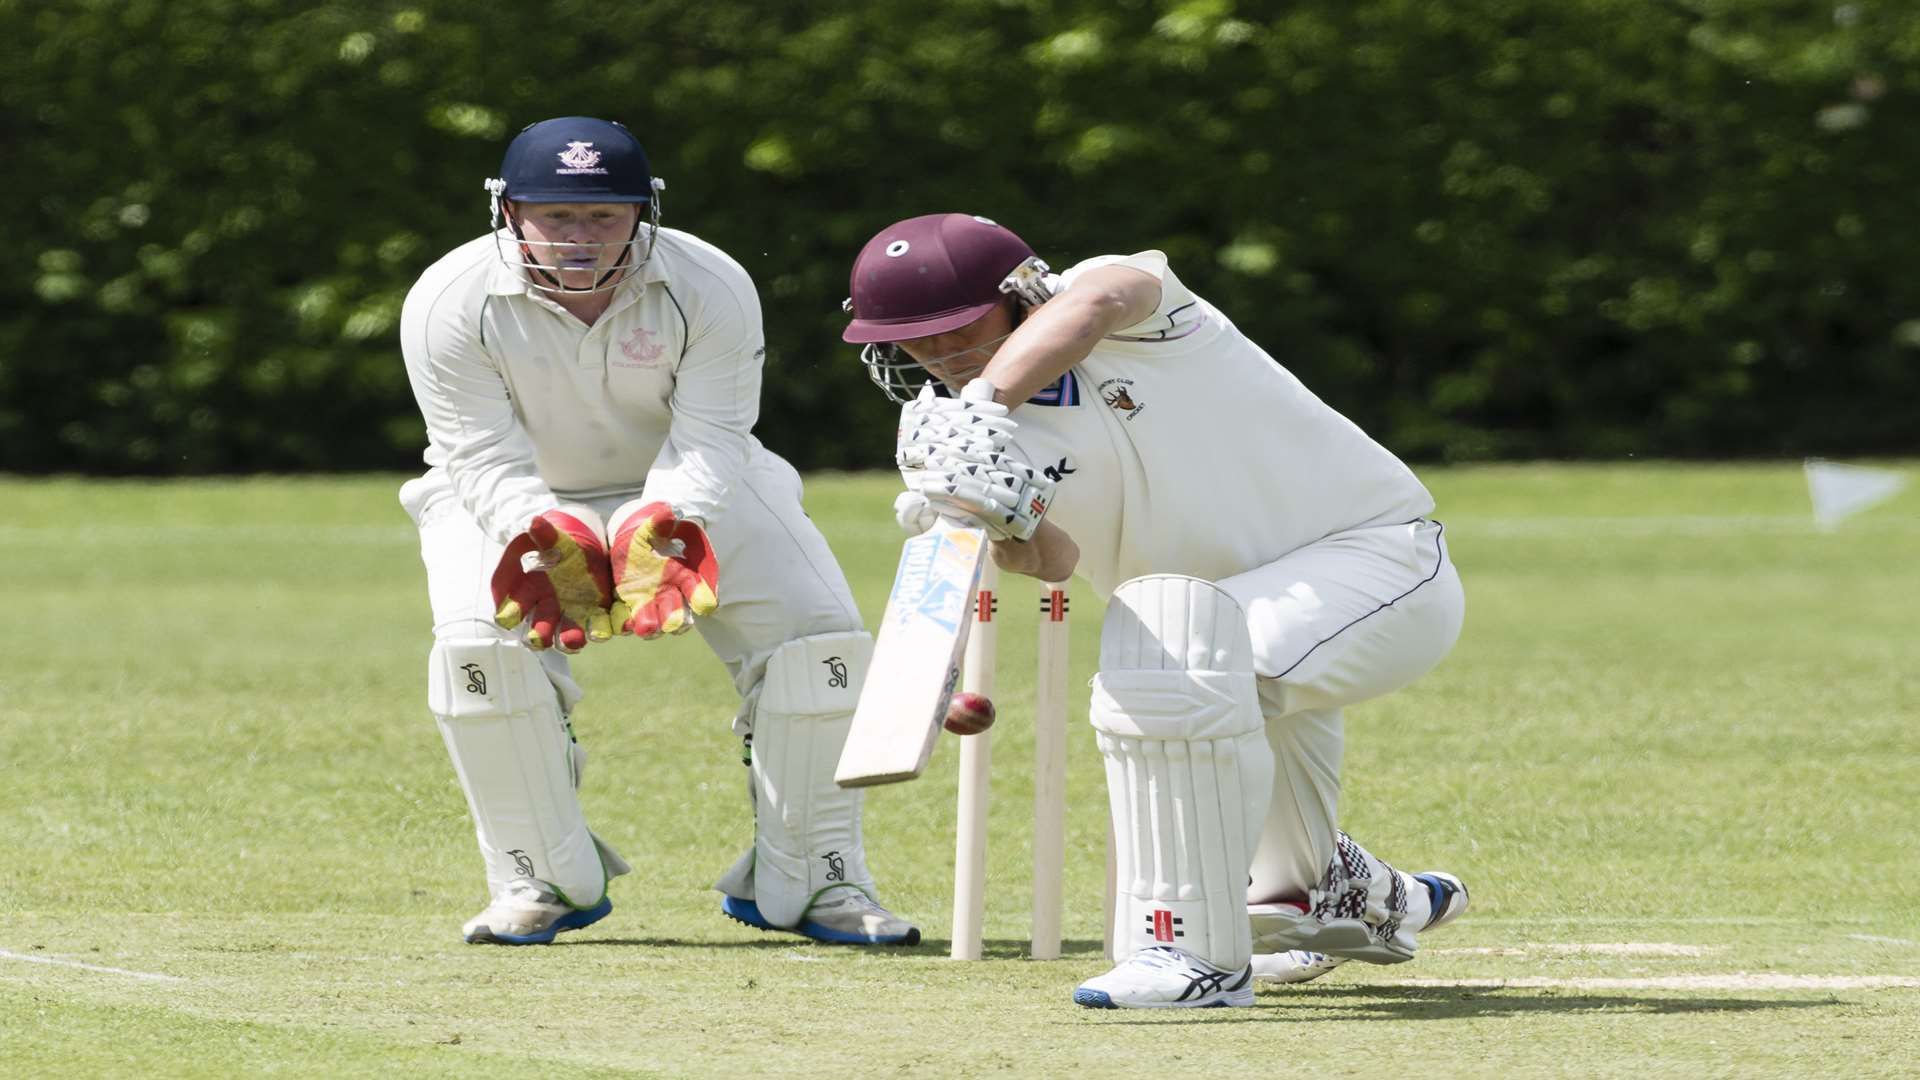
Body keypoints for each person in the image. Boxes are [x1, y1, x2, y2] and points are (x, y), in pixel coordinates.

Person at [841, 213, 1469, 1007]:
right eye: (910, 342)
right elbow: (1054, 561)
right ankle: (1355, 890)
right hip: (1221, 628)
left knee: (1165, 664)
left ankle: (1186, 955)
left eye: (953, 329)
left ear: (1019, 297)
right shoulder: (962, 440)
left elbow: (1101, 300)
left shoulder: (1121, 306)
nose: (935, 355)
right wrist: (1007, 522)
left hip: (1378, 561)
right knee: (1286, 881)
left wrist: (986, 400)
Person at [396, 116, 918, 948]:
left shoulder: (708, 282)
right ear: (508, 211)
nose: (579, 239)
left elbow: (713, 435)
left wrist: (659, 521)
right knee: (478, 658)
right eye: (555, 217)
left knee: (823, 649)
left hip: (697, 485)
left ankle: (817, 878)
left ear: (644, 213)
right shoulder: (447, 298)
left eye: (604, 217)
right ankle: (538, 876)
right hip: (503, 495)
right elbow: (476, 450)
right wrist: (547, 530)